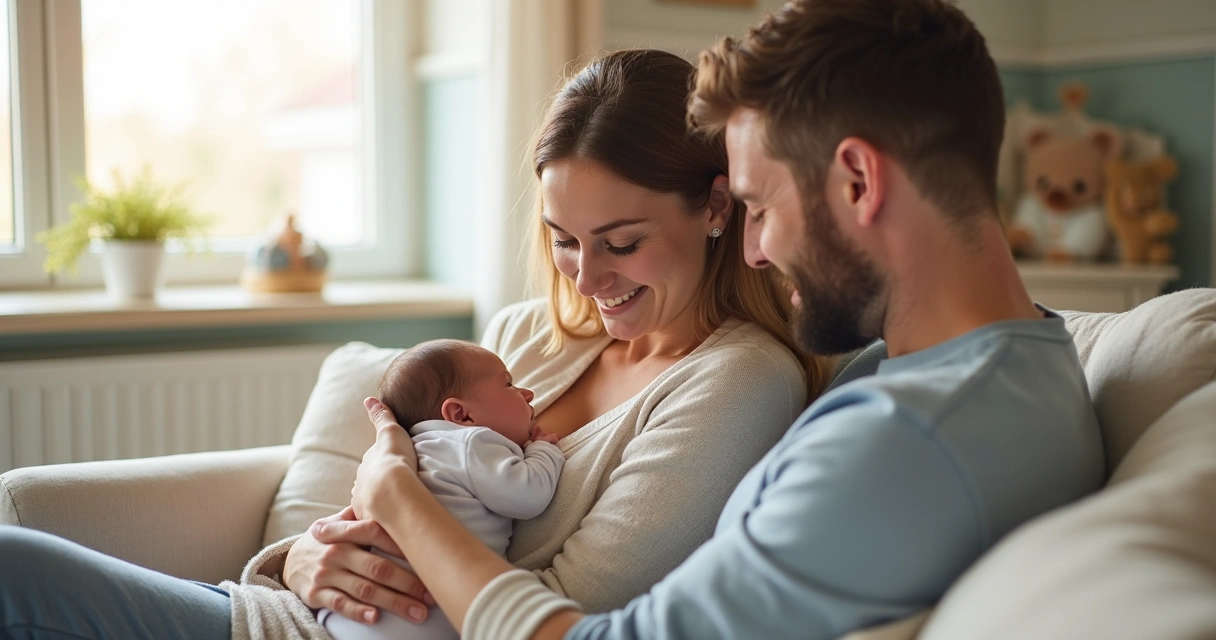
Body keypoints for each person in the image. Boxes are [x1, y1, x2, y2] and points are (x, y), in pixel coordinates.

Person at [0, 48, 828, 639]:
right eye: (564, 240)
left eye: (620, 242)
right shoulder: (523, 336)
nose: (586, 275)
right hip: (290, 618)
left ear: (715, 207)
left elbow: (566, 617)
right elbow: (363, 515)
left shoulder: (740, 381)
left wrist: (392, 494)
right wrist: (298, 561)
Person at [344, 1, 1107, 639]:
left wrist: (398, 499)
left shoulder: (903, 440)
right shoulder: (979, 365)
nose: (753, 250)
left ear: (858, 180)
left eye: (761, 207)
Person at [320, 339, 565, 640]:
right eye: (509, 384)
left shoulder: (413, 449)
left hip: (351, 613)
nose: (528, 394)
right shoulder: (471, 442)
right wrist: (543, 450)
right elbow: (528, 495)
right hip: (416, 620)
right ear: (461, 415)